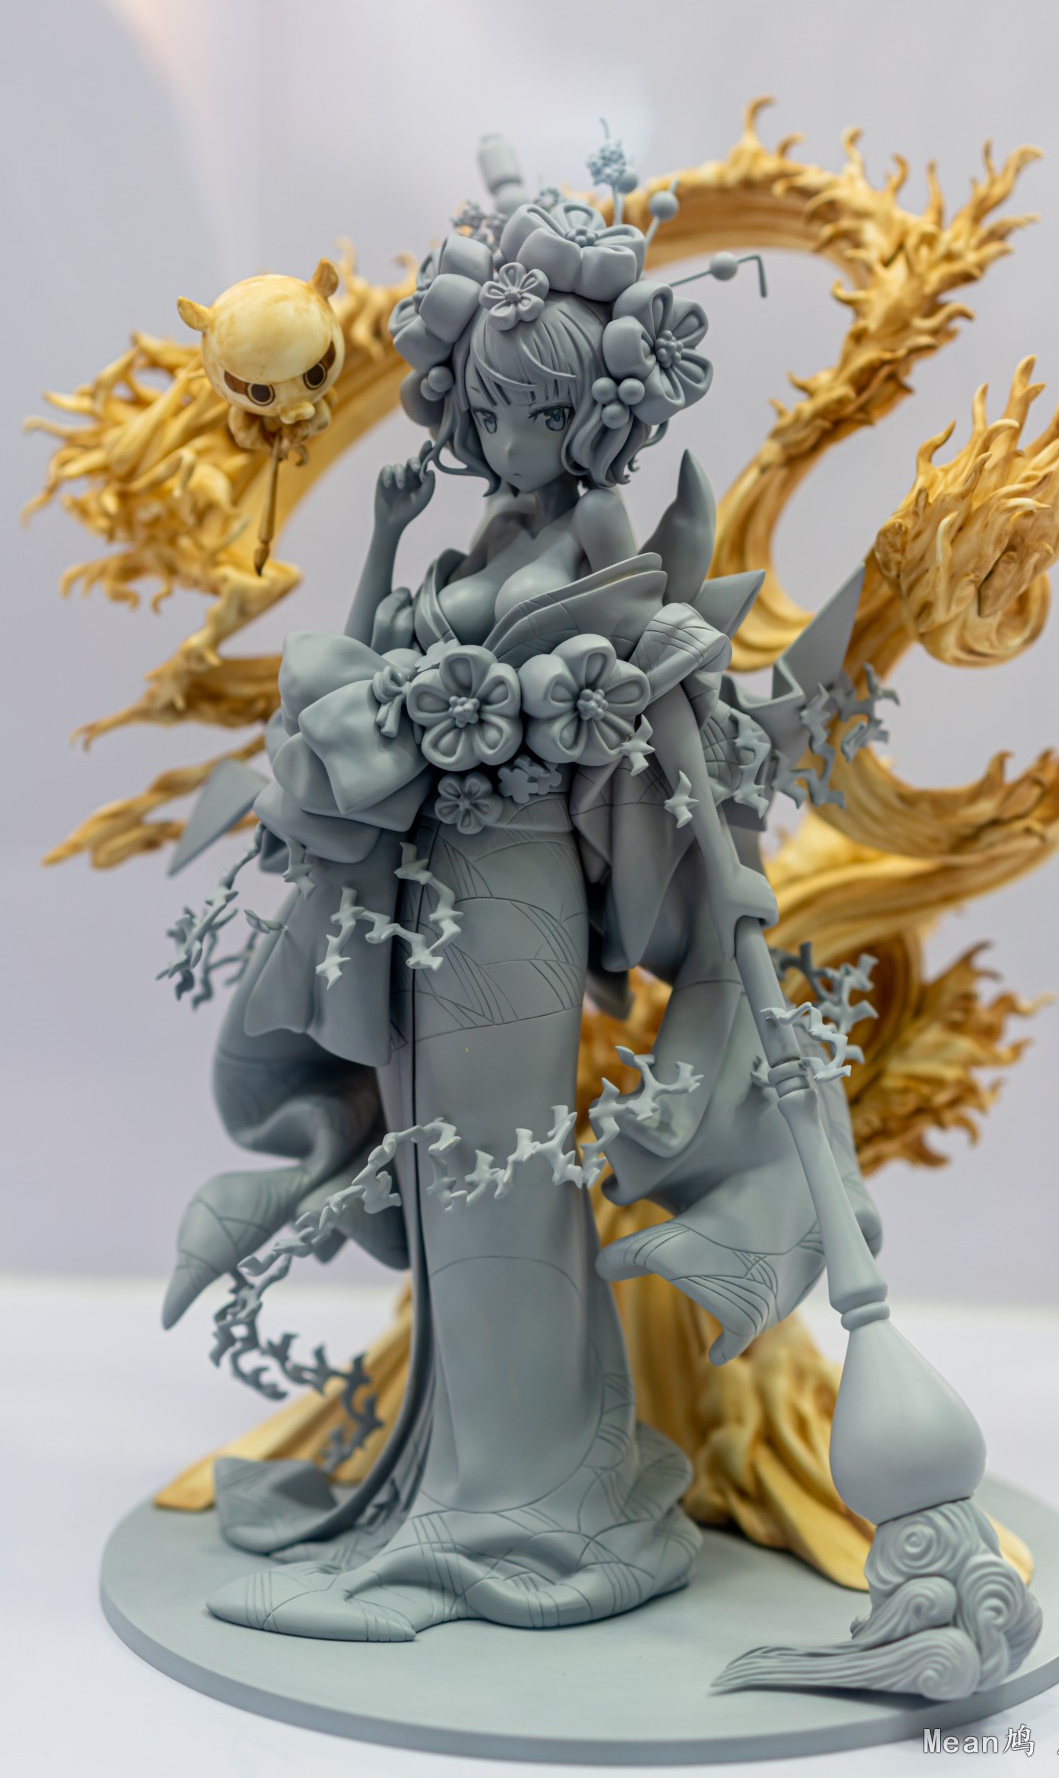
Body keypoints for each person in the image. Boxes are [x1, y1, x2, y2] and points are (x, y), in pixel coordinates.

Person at [165, 176, 880, 1642]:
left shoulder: (598, 538)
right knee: (452, 1180)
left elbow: (640, 691)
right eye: (486, 408)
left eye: (537, 412)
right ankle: (466, 1485)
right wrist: (382, 539)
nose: (505, 438)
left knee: (498, 1178)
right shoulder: (488, 535)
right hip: (437, 888)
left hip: (517, 891)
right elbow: (362, 664)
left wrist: (710, 816)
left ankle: (516, 1510)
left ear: (600, 416)